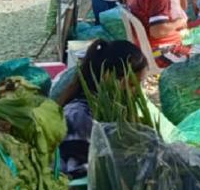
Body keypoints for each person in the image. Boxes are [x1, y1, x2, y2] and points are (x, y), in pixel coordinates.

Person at [57, 40, 149, 179]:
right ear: (108, 77)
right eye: (132, 84)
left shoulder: (119, 111)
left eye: (139, 84)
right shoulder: (78, 116)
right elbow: (77, 172)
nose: (137, 92)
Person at [127, 0, 191, 66]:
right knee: (197, 56)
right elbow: (158, 31)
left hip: (140, 43)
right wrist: (178, 22)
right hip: (155, 50)